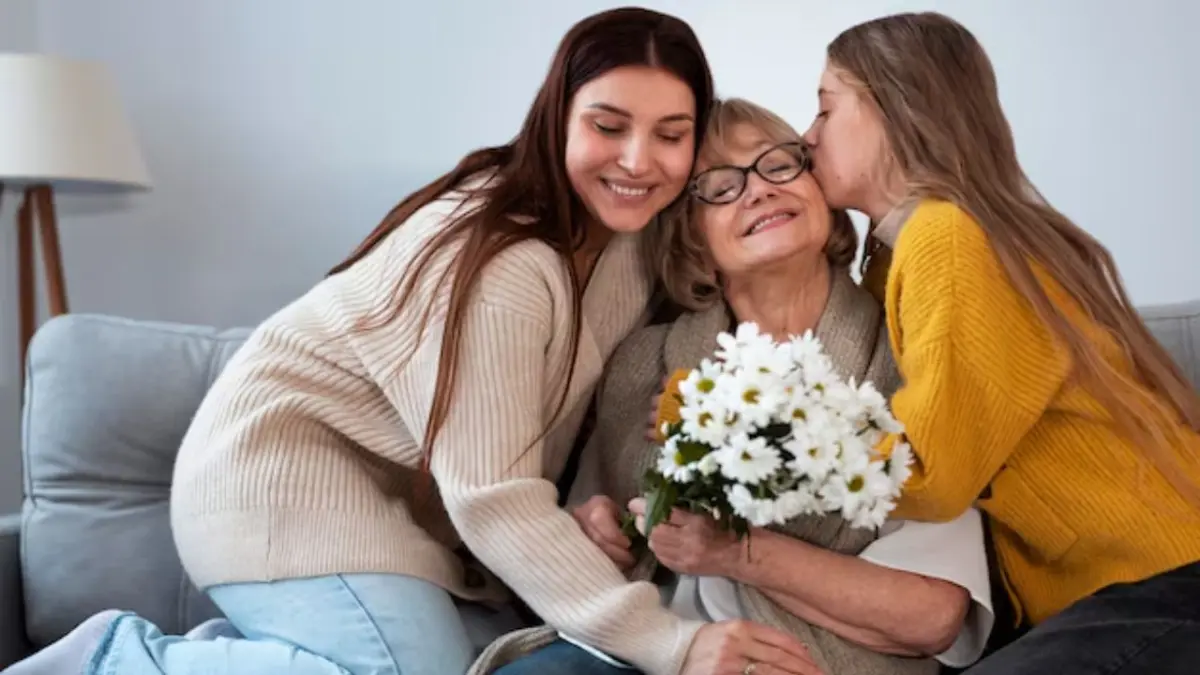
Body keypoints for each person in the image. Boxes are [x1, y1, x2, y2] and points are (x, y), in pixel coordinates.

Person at [4, 8, 817, 675]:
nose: (639, 160)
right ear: (557, 117)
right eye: (609, 125)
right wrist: (670, 644)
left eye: (671, 134)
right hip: (276, 485)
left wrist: (583, 511)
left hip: (400, 513)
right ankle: (113, 659)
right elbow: (492, 494)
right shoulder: (505, 259)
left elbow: (536, 436)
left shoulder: (625, 245)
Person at [480, 99, 994, 675]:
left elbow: (933, 616)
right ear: (691, 238)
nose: (758, 190)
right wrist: (593, 533)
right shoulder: (644, 363)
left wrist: (734, 552)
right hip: (655, 653)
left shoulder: (906, 360)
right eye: (720, 185)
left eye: (779, 165)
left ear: (820, 188)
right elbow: (586, 554)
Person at [797, 10, 1200, 675]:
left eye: (824, 109)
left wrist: (764, 450)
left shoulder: (945, 238)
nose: (806, 136)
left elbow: (927, 466)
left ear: (893, 109)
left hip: (1163, 578)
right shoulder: (911, 249)